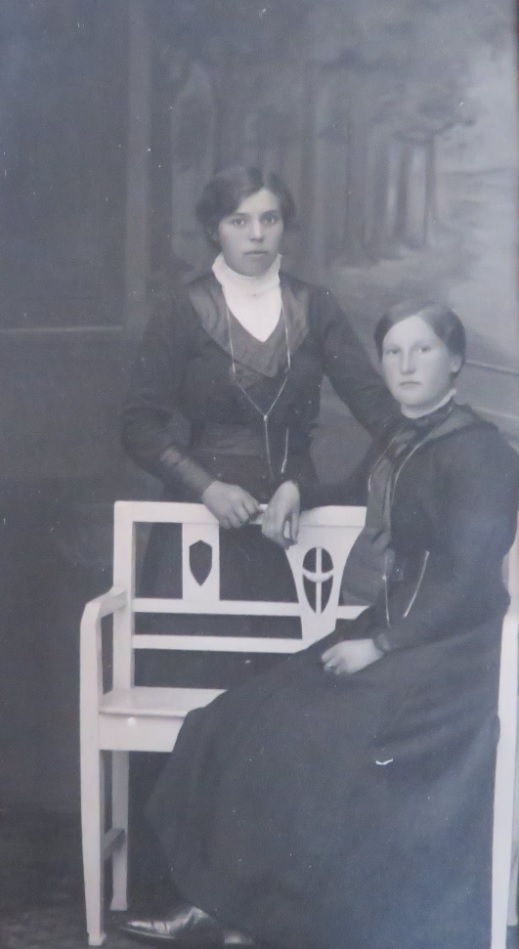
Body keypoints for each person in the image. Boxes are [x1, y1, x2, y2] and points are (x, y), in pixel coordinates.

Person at [122, 301, 519, 949]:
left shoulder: (482, 453)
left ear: (455, 361)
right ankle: (225, 906)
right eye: (392, 352)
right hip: (391, 633)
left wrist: (379, 645)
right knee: (240, 714)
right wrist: (296, 490)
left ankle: (263, 915)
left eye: (422, 350)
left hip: (452, 657)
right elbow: (349, 493)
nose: (405, 365)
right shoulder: (400, 438)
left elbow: (466, 582)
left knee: (306, 732)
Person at [122, 165, 396, 907]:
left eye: (269, 219)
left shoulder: (316, 307)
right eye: (239, 220)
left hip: (283, 542)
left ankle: (262, 900)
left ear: (285, 226)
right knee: (191, 705)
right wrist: (206, 487)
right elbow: (139, 425)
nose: (255, 234)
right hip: (196, 541)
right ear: (214, 228)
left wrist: (303, 487)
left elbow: (378, 411)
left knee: (274, 716)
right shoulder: (181, 309)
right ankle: (173, 897)